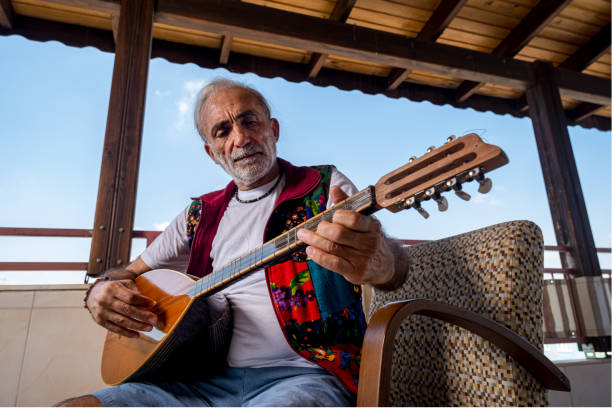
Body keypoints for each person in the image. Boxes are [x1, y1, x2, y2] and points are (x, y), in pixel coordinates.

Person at [57, 78, 407, 407]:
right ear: (213, 153)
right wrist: (99, 292)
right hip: (197, 382)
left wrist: (380, 261)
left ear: (273, 130)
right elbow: (127, 275)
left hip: (308, 377)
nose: (240, 138)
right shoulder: (200, 214)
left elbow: (394, 270)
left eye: (249, 121)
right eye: (223, 131)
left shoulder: (323, 185)